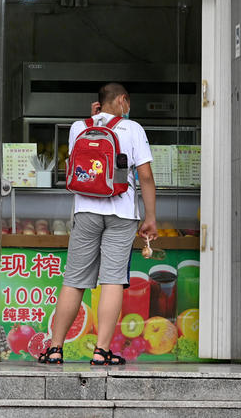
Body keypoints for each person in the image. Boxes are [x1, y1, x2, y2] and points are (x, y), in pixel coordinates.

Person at [39, 82, 156, 366]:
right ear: (123, 100)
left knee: (74, 281)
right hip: (122, 213)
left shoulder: (79, 127)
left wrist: (92, 117)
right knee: (112, 281)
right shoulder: (133, 129)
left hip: (86, 211)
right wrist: (150, 216)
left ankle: (55, 349)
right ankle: (102, 351)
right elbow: (146, 177)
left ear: (99, 103)